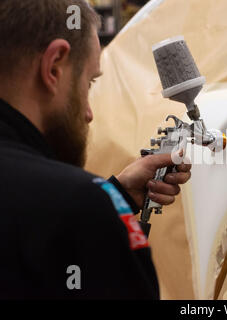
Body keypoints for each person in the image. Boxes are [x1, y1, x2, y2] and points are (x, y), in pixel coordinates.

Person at [0, 0, 191, 299]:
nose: (89, 113)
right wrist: (100, 211)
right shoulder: (79, 209)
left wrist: (118, 196)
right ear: (53, 67)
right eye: (88, 83)